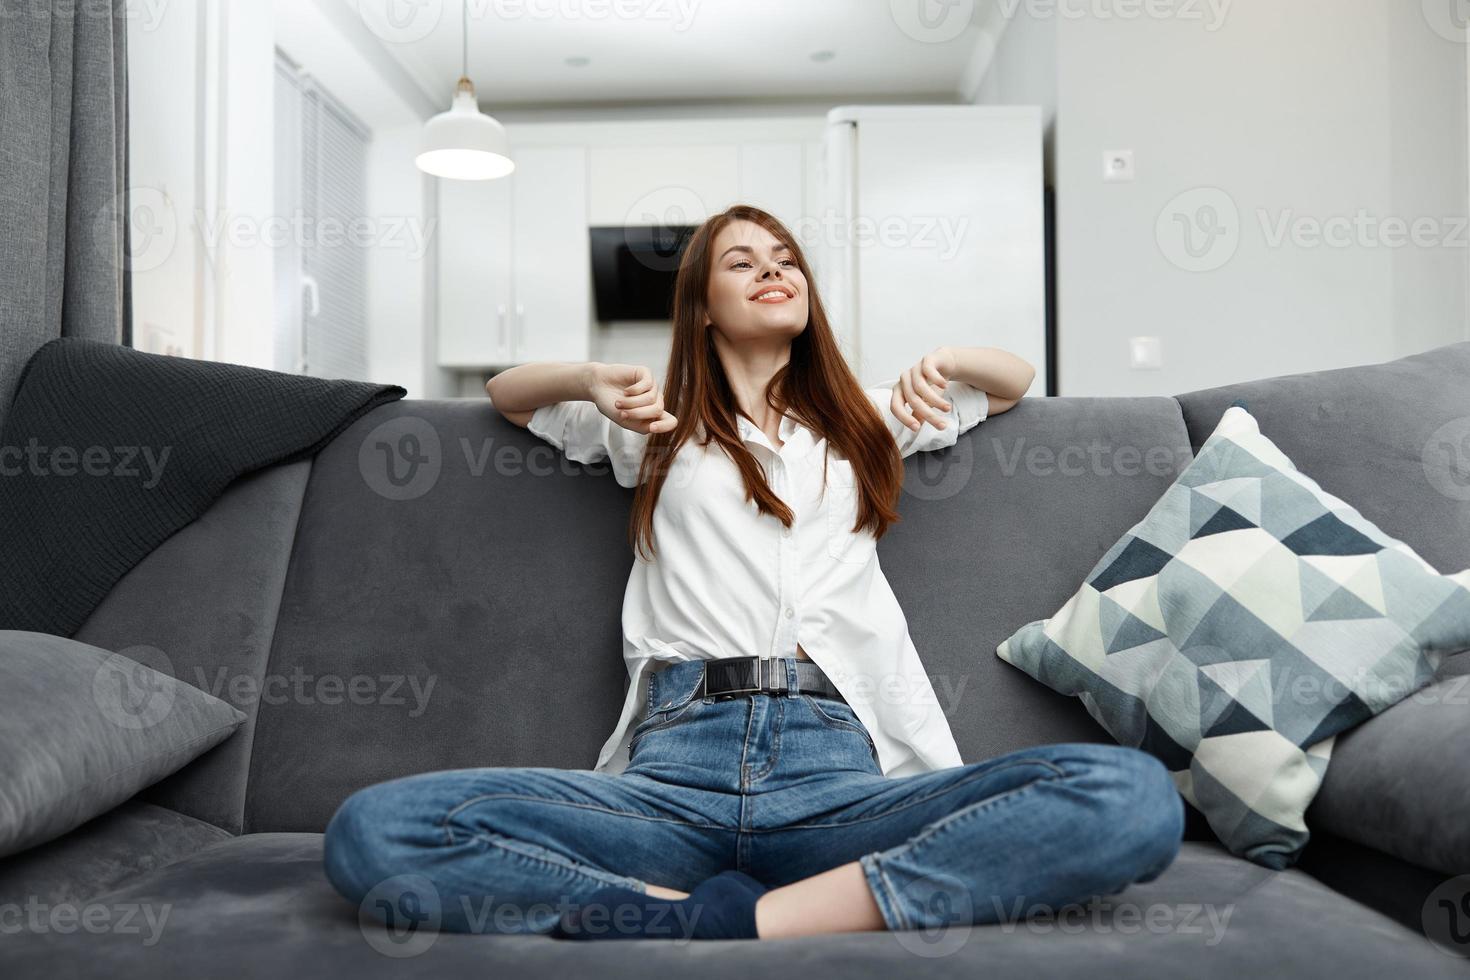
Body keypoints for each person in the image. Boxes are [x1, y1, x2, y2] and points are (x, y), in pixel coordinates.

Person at [321, 204, 1183, 942]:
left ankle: (750, 920)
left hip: (837, 779)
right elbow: (512, 395)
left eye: (786, 261)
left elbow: (1012, 385)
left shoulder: (868, 420)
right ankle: (660, 909)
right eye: (743, 261)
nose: (774, 270)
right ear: (699, 305)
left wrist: (948, 361)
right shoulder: (650, 424)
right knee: (376, 831)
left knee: (1130, 797)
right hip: (672, 775)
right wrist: (589, 377)